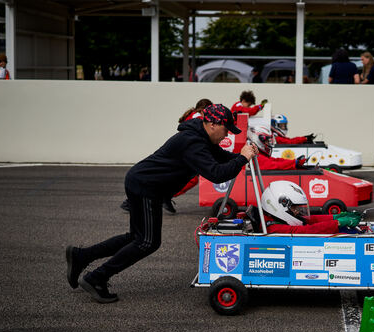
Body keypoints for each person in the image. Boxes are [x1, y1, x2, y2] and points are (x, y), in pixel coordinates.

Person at [66, 104, 259, 303]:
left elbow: (222, 158)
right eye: (226, 129)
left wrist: (244, 157)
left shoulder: (201, 137)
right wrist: (242, 158)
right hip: (146, 187)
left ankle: (82, 256)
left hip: (143, 183)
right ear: (212, 124)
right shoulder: (192, 142)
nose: (227, 134)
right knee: (147, 242)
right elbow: (217, 174)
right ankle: (96, 277)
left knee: (136, 237)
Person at [260, 181, 361, 234]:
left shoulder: (276, 219)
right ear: (279, 206)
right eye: (294, 207)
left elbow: (309, 220)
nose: (298, 211)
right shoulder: (273, 228)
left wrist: (335, 217)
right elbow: (307, 230)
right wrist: (338, 223)